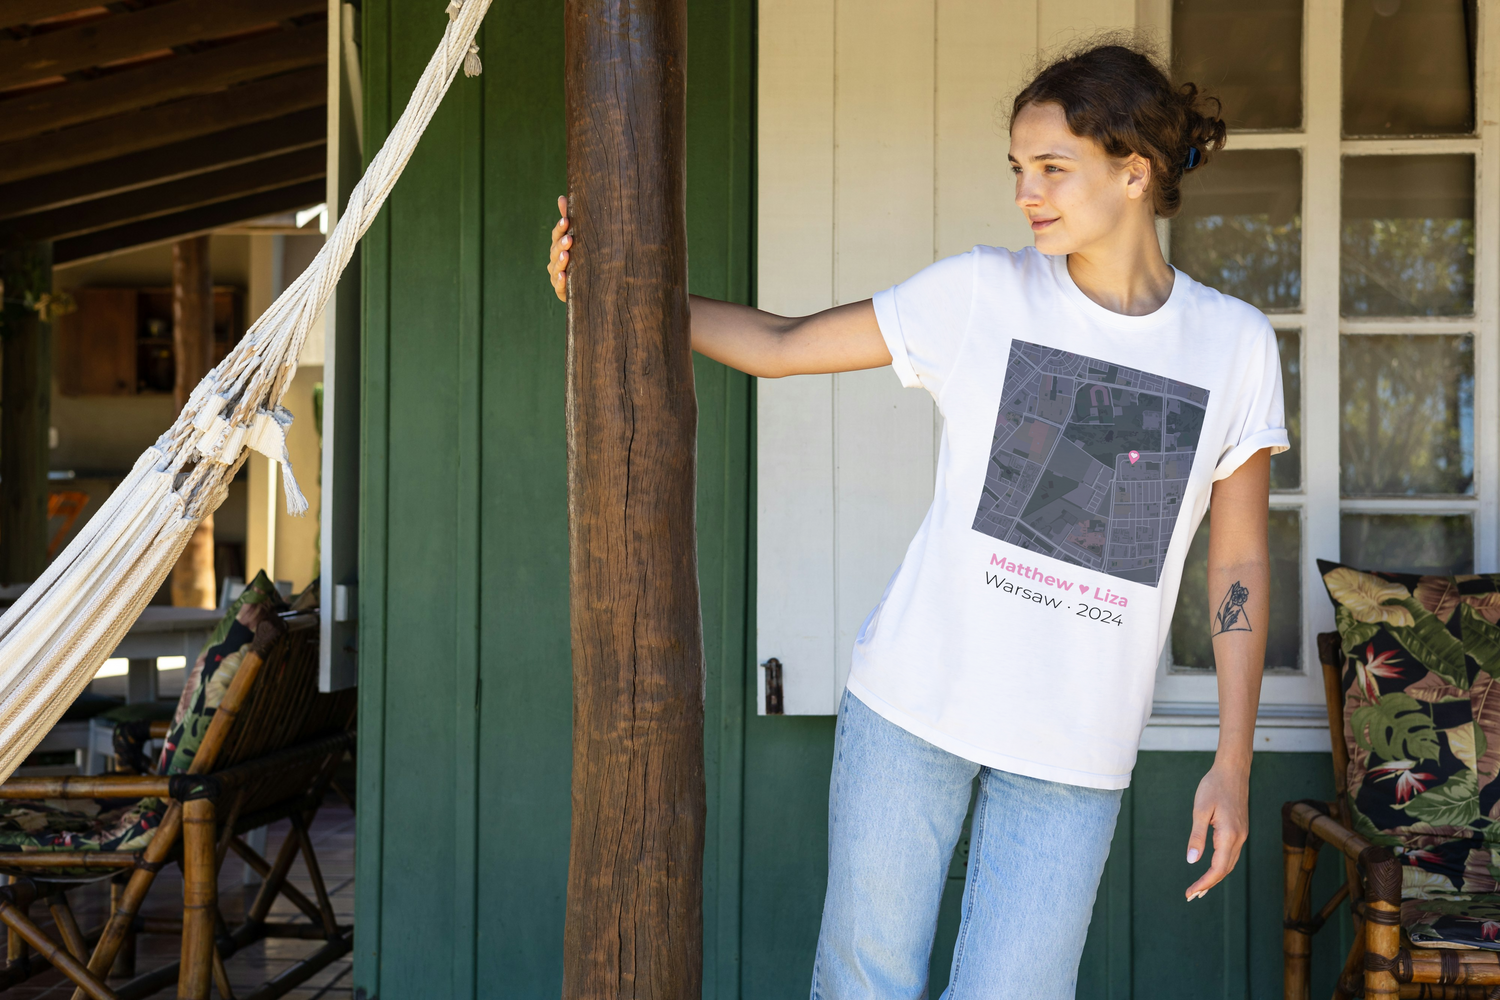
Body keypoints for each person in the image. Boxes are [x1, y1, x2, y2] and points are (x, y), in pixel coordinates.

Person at [546, 41, 1285, 1000]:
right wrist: (617, 295)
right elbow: (780, 344)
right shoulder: (982, 291)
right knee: (864, 984)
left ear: (1134, 170)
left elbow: (1237, 567)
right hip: (912, 712)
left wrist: (1233, 760)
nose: (1029, 193)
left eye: (1053, 168)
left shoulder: (1232, 345)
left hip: (1075, 753)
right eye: (1019, 170)